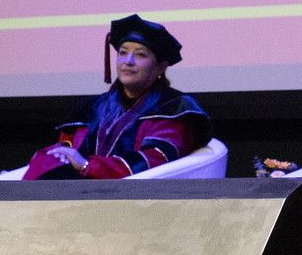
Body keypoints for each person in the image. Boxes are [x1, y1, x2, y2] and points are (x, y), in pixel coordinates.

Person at [24, 15, 211, 179]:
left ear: (161, 67)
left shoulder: (173, 110)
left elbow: (153, 162)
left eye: (140, 55)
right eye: (123, 53)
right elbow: (64, 150)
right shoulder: (93, 108)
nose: (128, 61)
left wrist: (87, 166)